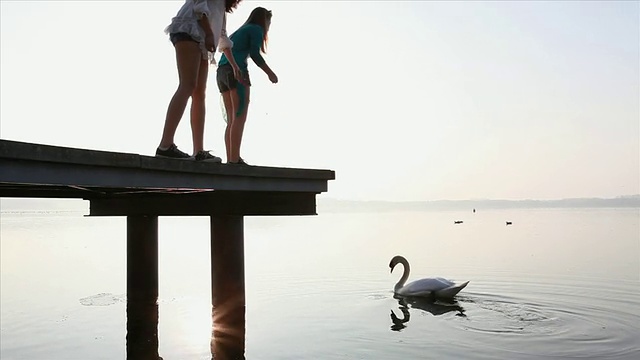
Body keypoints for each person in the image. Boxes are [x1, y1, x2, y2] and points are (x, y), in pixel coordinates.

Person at [156, 0, 244, 162]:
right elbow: (199, 8)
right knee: (187, 85)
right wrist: (209, 33)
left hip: (202, 38)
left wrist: (235, 66)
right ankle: (165, 146)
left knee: (199, 94)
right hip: (189, 30)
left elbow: (222, 35)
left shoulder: (221, 6)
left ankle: (198, 151)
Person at [216, 7, 278, 165]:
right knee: (239, 116)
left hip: (222, 71)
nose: (268, 26)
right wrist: (270, 73)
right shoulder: (256, 29)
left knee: (231, 119)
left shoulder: (241, 30)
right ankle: (234, 159)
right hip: (237, 71)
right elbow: (255, 54)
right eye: (268, 22)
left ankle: (232, 158)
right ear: (264, 20)